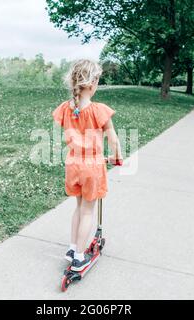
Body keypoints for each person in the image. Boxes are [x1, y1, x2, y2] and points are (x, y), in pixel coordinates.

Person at [52, 59, 123, 272]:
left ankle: (72, 247)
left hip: (73, 164)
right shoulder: (98, 110)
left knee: (78, 207)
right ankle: (79, 257)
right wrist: (116, 157)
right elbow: (113, 140)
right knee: (87, 212)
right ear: (92, 83)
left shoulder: (65, 109)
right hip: (91, 166)